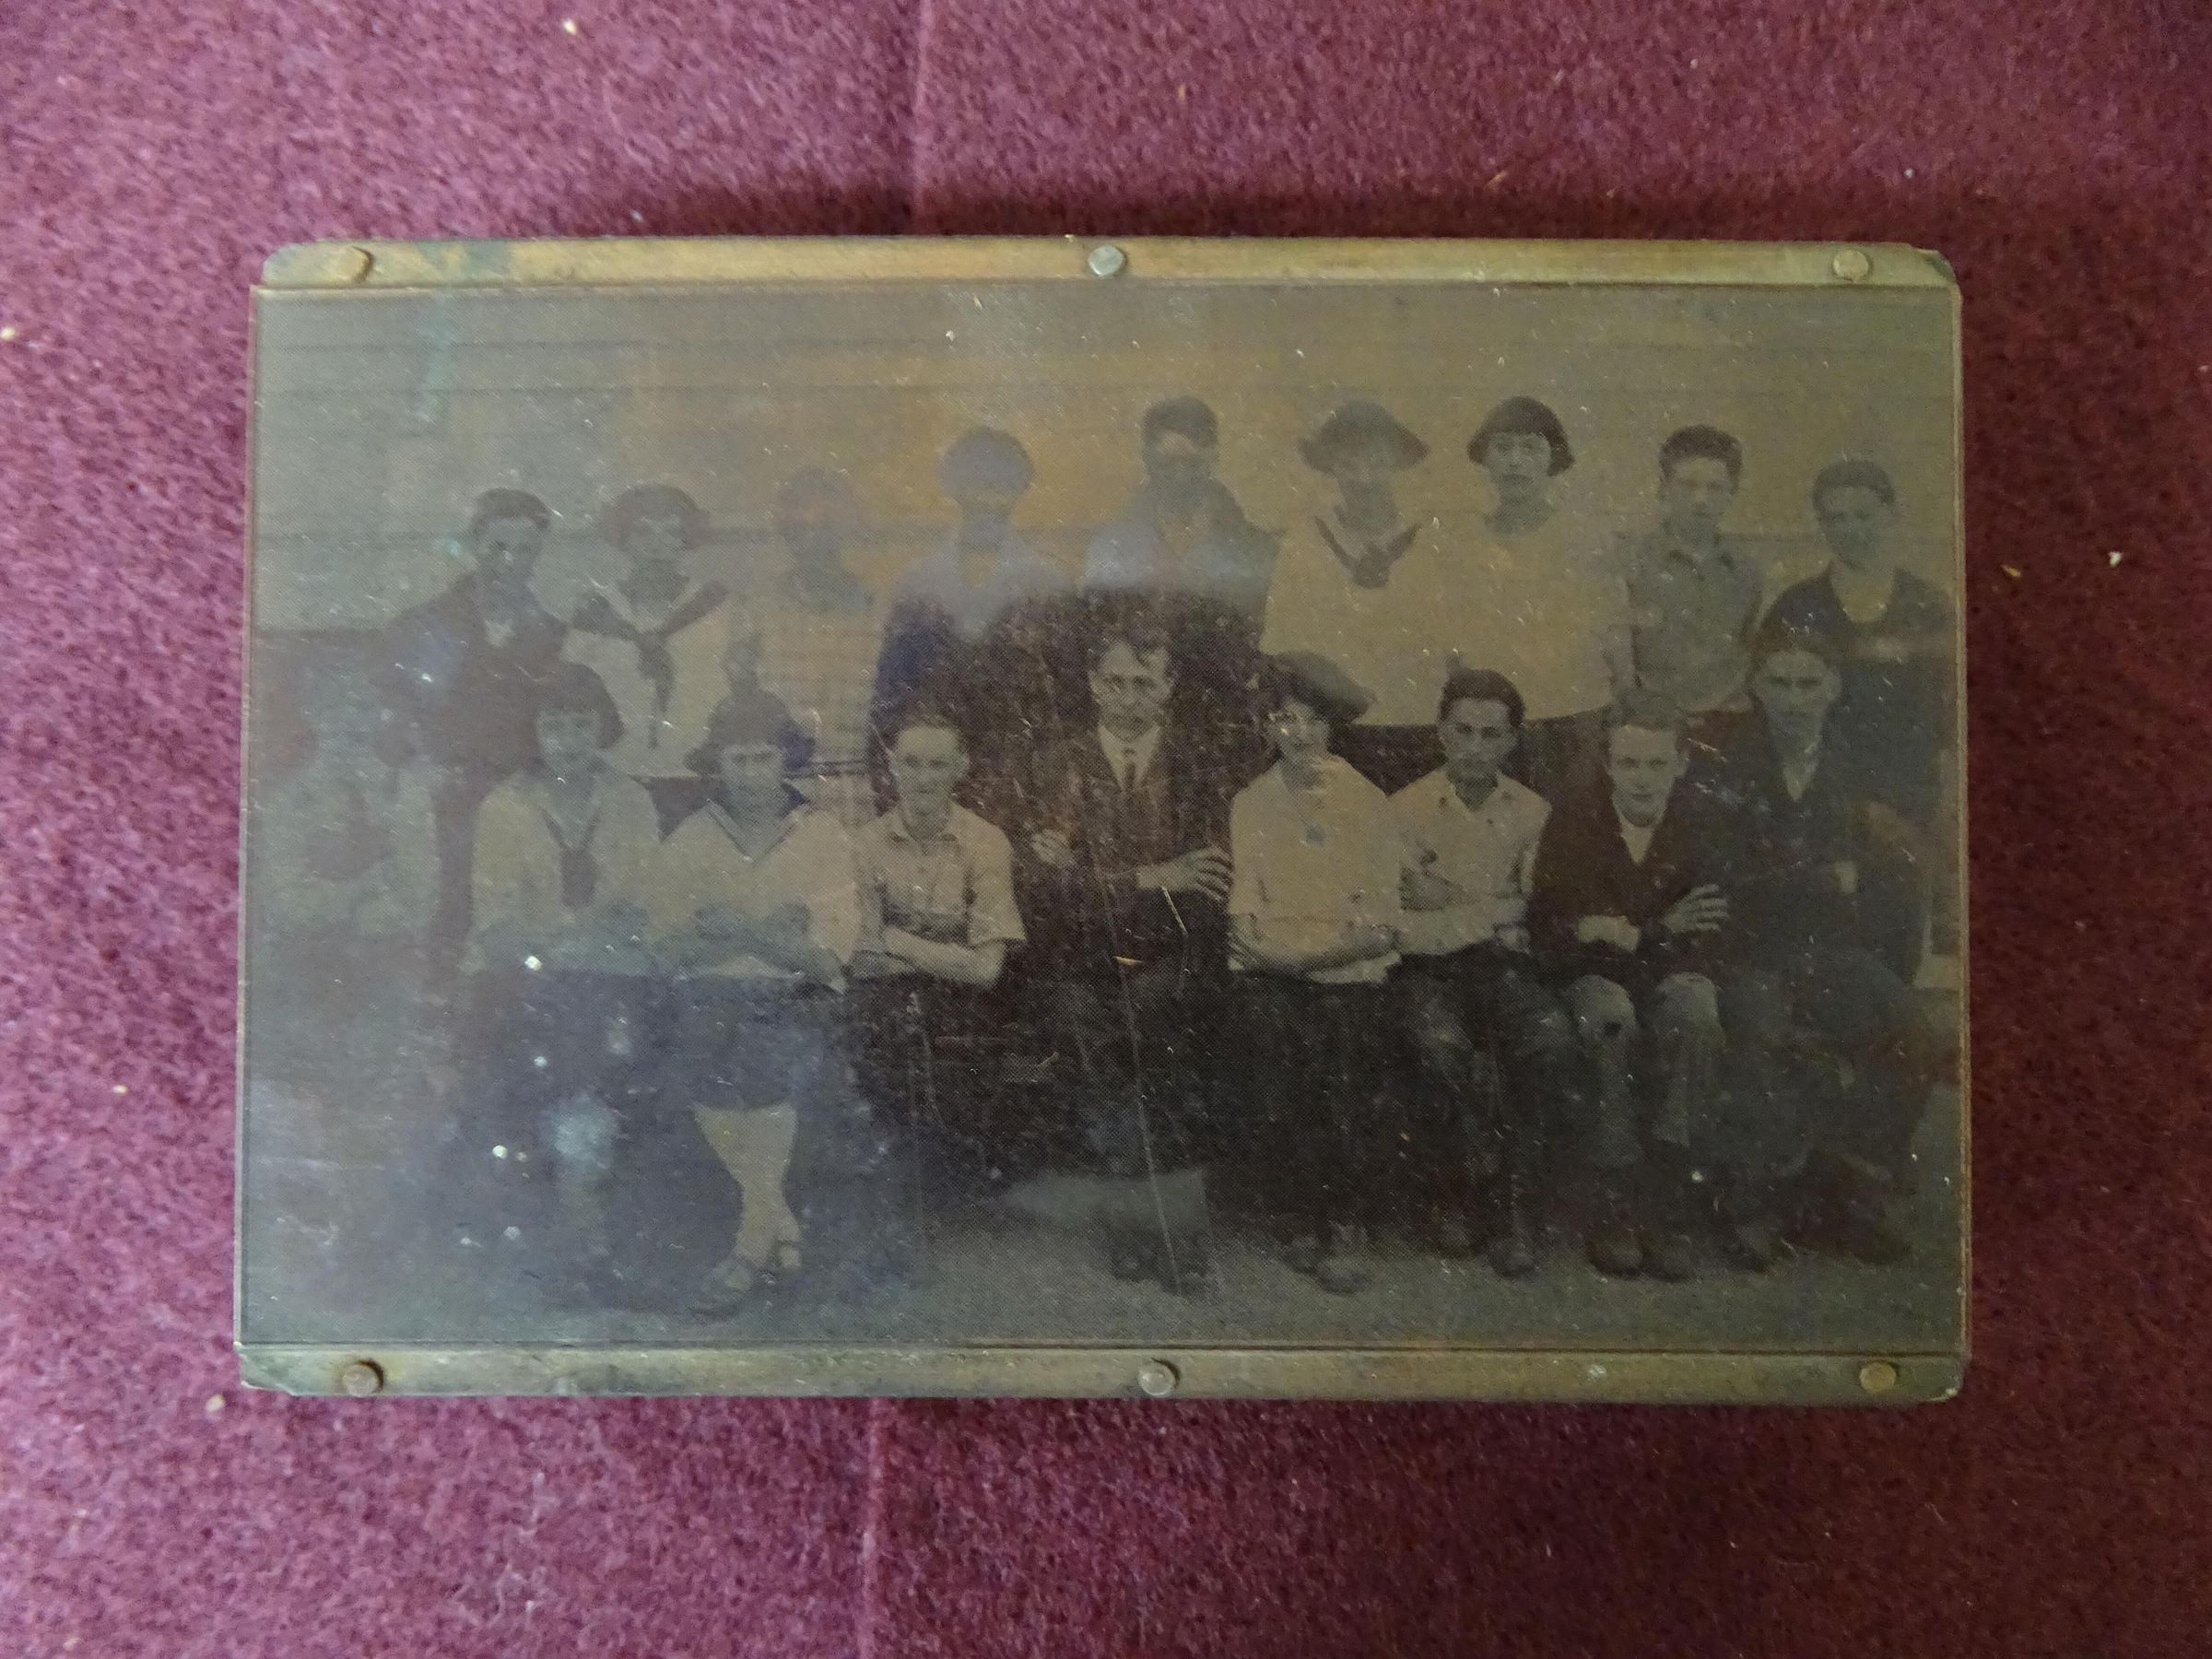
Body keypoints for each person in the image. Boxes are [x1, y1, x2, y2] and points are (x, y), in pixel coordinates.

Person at [1017, 605, 1241, 1293]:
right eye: (1115, 682)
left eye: (1145, 683)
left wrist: (1094, 879)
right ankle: (1131, 1227)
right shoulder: (1056, 765)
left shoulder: (1200, 766)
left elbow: (1207, 887)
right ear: (1092, 683)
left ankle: (1180, 1237)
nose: (1129, 698)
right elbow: (1046, 892)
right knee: (1097, 1054)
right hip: (1079, 963)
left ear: (1169, 686)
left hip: (1173, 957)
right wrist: (1151, 876)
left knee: (1162, 1048)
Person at [1699, 625, 1938, 1265]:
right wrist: (1824, 879)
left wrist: (1822, 887)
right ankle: (1750, 1204)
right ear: (1756, 687)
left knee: (1913, 1033)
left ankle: (1856, 1185)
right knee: (1760, 1037)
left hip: (1829, 954)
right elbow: (1722, 879)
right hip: (1745, 953)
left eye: (1809, 684)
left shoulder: (1855, 767)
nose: (1794, 699)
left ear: (1833, 688)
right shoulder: (1724, 763)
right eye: (1780, 683)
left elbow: (1881, 879)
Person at [644, 688, 860, 1308]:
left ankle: (748, 1244)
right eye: (736, 760)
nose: (750, 774)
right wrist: (772, 933)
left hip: (797, 998)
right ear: (718, 765)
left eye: (763, 758)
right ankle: (776, 1221)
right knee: (711, 1035)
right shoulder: (692, 838)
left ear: (785, 759)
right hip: (711, 1001)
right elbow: (666, 948)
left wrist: (732, 931)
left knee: (763, 1053)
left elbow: (827, 957)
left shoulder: (821, 834)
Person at [458, 664, 662, 1280]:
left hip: (611, 975)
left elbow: (645, 909)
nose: (568, 741)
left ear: (602, 729)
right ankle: (567, 1233)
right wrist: (582, 934)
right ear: (535, 732)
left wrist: (578, 935)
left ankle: (594, 1226)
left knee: (608, 1056)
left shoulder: (631, 802)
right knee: (556, 1058)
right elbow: (497, 925)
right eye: (554, 726)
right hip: (525, 977)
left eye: (581, 725)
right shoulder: (505, 807)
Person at [1527, 688, 1735, 1280]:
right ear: (1608, 764)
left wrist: (1618, 929)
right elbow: (1556, 935)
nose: (1642, 779)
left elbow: (1708, 932)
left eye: (1656, 763)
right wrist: (1657, 928)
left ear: (1681, 763)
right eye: (1628, 763)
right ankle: (1613, 1192)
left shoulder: (1703, 824)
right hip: (1594, 979)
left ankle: (1669, 1191)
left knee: (1696, 1009)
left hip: (1670, 975)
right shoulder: (1575, 822)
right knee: (1609, 1014)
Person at [1391, 668, 1583, 1277]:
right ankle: (1460, 1190)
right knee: (1437, 1043)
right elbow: (1400, 922)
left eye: (1490, 734)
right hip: (1426, 970)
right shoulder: (1403, 810)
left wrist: (1450, 901)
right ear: (1441, 732)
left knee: (1550, 1037)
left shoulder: (1533, 813)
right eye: (1463, 731)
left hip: (1504, 968)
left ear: (1512, 741)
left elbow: (1534, 911)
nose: (1474, 747)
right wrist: (1492, 910)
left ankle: (1518, 1205)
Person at [1227, 652, 1407, 1294]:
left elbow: (1382, 927)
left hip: (1347, 969)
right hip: (1271, 970)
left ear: (1332, 727)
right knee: (1275, 1058)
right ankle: (1297, 1209)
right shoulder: (1251, 802)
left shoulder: (1367, 803)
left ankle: (1346, 1221)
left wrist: (1302, 960)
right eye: (1284, 720)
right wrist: (1265, 954)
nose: (1299, 734)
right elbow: (1243, 909)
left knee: (1344, 1068)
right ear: (1268, 727)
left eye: (1311, 720)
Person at [847, 703, 1026, 1269]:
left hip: (967, 998)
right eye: (910, 763)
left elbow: (988, 968)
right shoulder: (866, 843)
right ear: (891, 767)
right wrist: (940, 956)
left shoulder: (986, 842)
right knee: (875, 1036)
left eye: (937, 765)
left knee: (954, 1065)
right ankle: (898, 1201)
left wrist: (899, 940)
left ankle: (947, 1195)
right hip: (890, 991)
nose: (922, 778)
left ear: (961, 769)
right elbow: (860, 956)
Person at [382, 488, 570, 966]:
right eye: (497, 547)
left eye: (524, 550)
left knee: (514, 911)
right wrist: (420, 764)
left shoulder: (552, 636)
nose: (508, 562)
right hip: (441, 792)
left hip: (519, 793)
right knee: (443, 907)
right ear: (473, 544)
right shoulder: (422, 626)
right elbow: (394, 710)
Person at [255, 647, 441, 1088]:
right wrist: (363, 892)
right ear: (312, 715)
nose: (350, 722)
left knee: (386, 1069)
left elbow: (422, 900)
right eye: (335, 708)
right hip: (312, 970)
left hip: (388, 966)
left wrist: (346, 890)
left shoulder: (406, 794)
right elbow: (287, 904)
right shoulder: (289, 802)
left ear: (379, 714)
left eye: (363, 708)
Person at [870, 427, 1073, 825]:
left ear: (1020, 490)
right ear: (953, 487)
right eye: (975, 484)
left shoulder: (1047, 581)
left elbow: (1065, 707)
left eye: (1001, 486)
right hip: (934, 783)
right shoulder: (920, 581)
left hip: (1019, 785)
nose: (986, 500)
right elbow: (890, 700)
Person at [1761, 459, 1955, 832]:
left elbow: (1948, 709)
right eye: (1837, 518)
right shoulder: (1796, 606)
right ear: (1822, 524)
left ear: (1891, 514)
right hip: (1821, 796)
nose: (1851, 529)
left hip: (1910, 795)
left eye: (1864, 516)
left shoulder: (1928, 606)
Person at [1462, 397, 1635, 800]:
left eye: (1530, 449)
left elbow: (1618, 644)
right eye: (1503, 448)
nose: (1515, 462)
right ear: (1486, 459)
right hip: (1493, 728)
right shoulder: (1467, 542)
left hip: (1575, 723)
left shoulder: (1588, 542)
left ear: (1553, 459)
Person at [560, 484, 735, 790]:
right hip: (615, 775)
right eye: (643, 533)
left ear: (686, 539)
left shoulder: (717, 609)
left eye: (670, 532)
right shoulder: (596, 613)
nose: (657, 546)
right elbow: (573, 696)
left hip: (697, 772)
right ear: (624, 539)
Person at [741, 468, 888, 826]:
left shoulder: (879, 610)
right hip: (779, 794)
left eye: (825, 530)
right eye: (800, 531)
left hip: (857, 793)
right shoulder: (756, 612)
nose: (813, 543)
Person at [1085, 395, 1279, 641]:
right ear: (1147, 460)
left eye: (1193, 463)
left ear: (1213, 460)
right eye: (1167, 463)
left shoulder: (1255, 550)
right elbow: (1099, 632)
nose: (1180, 476)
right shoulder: (1111, 550)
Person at [1624, 426, 1763, 738]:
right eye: (1688, 485)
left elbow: (1749, 649)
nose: (1701, 500)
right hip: (1654, 726)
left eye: (1715, 487)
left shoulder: (1745, 571)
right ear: (1663, 488)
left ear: (1732, 493)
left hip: (1729, 723)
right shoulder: (1633, 565)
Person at [1300, 399, 1430, 590]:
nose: (1365, 479)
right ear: (1331, 467)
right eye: (1349, 466)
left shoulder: (1412, 526)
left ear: (1395, 464)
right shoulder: (1326, 531)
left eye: (1377, 464)